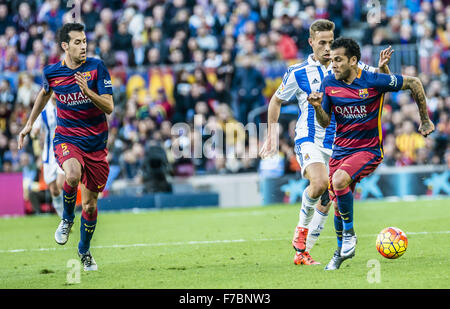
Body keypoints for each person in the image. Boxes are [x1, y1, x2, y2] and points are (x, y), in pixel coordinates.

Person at [259, 19, 393, 265]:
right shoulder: (297, 73)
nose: (328, 48)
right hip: (308, 138)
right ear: (311, 43)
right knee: (319, 183)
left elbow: (379, 84)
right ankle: (300, 234)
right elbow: (276, 101)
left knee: (328, 199)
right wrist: (271, 135)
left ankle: (302, 252)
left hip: (338, 144)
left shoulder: (344, 66)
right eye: (322, 43)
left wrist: (383, 68)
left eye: (331, 42)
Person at [307, 37, 434, 270]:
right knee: (338, 201)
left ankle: (349, 236)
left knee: (338, 180)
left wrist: (425, 120)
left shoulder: (373, 80)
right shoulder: (328, 84)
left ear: (353, 61)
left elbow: (414, 83)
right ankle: (340, 252)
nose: (332, 64)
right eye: (331, 60)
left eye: (338, 60)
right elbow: (325, 123)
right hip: (340, 151)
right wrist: (317, 106)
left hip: (368, 150)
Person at [18, 23, 114, 271]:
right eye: (78, 42)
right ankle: (67, 219)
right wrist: (29, 124)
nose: (84, 46)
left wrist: (87, 91)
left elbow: (109, 107)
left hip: (96, 143)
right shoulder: (52, 73)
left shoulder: (96, 68)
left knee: (91, 204)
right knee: (71, 175)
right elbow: (44, 94)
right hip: (67, 138)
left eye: (85, 41)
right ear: (65, 46)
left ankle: (84, 250)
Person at [31, 96, 65, 218]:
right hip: (49, 154)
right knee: (54, 190)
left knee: (60, 185)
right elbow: (34, 129)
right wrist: (35, 134)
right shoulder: (43, 109)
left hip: (65, 150)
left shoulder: (66, 104)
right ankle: (63, 217)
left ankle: (67, 218)